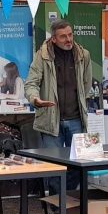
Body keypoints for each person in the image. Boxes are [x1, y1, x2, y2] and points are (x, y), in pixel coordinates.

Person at [24, 19, 91, 202]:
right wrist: (35, 99)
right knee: (54, 166)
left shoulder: (83, 55)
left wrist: (82, 103)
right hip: (51, 119)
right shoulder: (42, 56)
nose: (68, 39)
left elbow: (86, 84)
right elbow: (31, 83)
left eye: (70, 35)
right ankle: (57, 206)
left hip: (76, 119)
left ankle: (68, 200)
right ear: (53, 39)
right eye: (63, 37)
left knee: (79, 164)